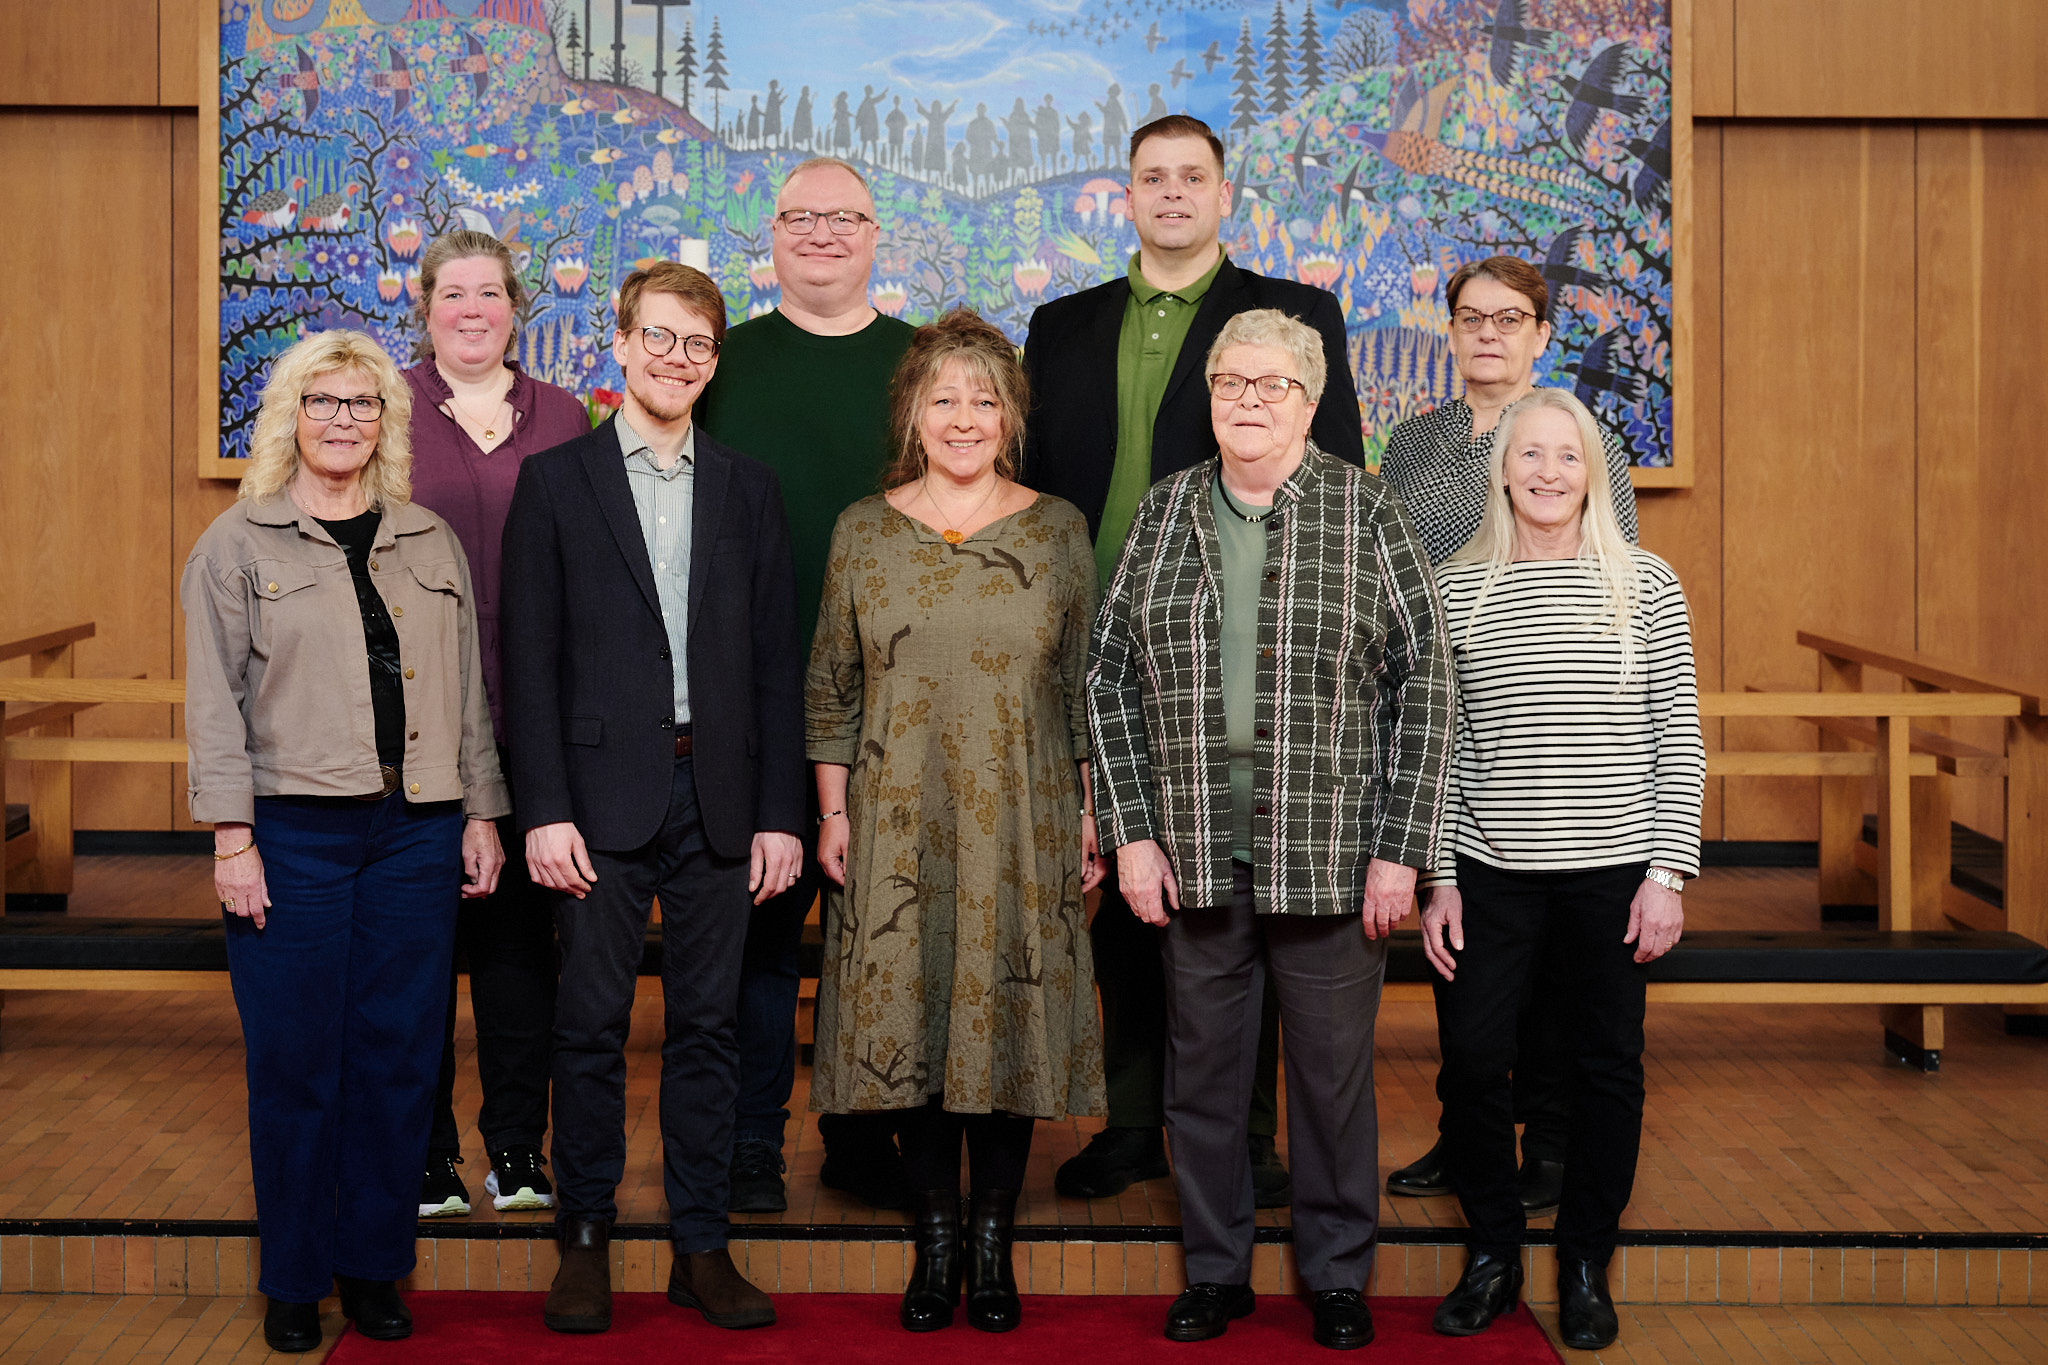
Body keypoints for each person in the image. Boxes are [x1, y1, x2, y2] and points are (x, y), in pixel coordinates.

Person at [1089, 308, 1453, 1351]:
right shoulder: (1165, 510)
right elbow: (1107, 680)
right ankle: (1216, 1271)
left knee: (1330, 1084)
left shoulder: (1365, 509)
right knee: (1202, 1081)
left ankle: (1336, 1274)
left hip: (1333, 855)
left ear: (1309, 400)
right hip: (1196, 848)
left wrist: (1401, 849)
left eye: (1271, 384)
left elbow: (1427, 685)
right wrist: (1131, 834)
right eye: (1229, 383)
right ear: (1209, 397)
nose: (1247, 401)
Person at [1023, 113, 1365, 1207]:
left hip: (1243, 643)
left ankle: (1248, 1138)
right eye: (1151, 176)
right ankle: (1132, 1119)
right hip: (1094, 644)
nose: (1171, 193)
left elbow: (1337, 479)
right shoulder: (1061, 325)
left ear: (1225, 194)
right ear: (1125, 195)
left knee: (1250, 893)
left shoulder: (1291, 316)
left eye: (1192, 176)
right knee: (1130, 883)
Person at [184, 329, 508, 1353]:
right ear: (290, 418)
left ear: (385, 423)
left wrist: (481, 811)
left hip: (416, 834)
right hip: (293, 835)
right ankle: (293, 1277)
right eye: (320, 401)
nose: (341, 420)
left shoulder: (428, 539)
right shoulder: (237, 544)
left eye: (361, 403)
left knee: (399, 1058)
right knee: (296, 1062)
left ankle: (373, 1266)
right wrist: (232, 840)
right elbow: (214, 704)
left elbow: (464, 691)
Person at [500, 262, 804, 1335]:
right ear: (621, 343)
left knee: (708, 1029)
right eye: (660, 338)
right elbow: (527, 662)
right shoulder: (555, 482)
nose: (678, 359)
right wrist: (541, 809)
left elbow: (775, 664)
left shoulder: (749, 487)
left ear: (714, 363)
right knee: (588, 1024)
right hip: (593, 800)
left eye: (698, 344)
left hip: (719, 795)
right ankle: (583, 1238)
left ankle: (700, 1246)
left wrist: (779, 812)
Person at [807, 309, 1105, 1336]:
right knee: (913, 1013)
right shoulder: (862, 529)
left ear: (1011, 415)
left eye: (984, 399)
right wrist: (832, 812)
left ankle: (990, 1240)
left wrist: (1091, 815)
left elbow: (1082, 688)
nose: (964, 417)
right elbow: (830, 688)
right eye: (944, 399)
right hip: (895, 818)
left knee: (1006, 1013)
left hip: (1024, 815)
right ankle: (935, 1238)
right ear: (913, 414)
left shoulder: (1058, 531)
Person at [1419, 388, 1701, 1351]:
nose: (1547, 472)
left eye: (1567, 455)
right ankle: (1493, 1254)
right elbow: (1440, 748)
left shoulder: (1646, 584)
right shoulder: (1458, 587)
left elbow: (1679, 738)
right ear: (1502, 470)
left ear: (1594, 473)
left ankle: (1585, 1262)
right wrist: (1439, 876)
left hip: (1614, 876)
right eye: (1529, 454)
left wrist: (1667, 874)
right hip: (1487, 872)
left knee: (1606, 1069)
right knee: (1470, 1064)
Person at [1379, 254, 1640, 1215]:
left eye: (1510, 318)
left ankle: (1555, 1140)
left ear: (1541, 334)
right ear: (1450, 330)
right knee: (1467, 962)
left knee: (1556, 981)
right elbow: (1390, 567)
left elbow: (1615, 568)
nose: (1488, 333)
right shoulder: (1414, 441)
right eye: (1471, 317)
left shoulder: (1572, 434)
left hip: (1547, 722)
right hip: (1440, 706)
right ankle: (1468, 1135)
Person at [696, 157, 917, 1215]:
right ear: (770, 234)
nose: (822, 232)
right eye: (800, 216)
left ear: (876, 234)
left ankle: (865, 1133)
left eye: (844, 216)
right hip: (751, 702)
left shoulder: (924, 365)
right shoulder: (718, 363)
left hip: (901, 702)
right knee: (760, 938)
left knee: (886, 938)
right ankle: (750, 1142)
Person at [402, 228, 590, 1222]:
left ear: (517, 308)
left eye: (488, 293)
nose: (471, 309)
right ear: (425, 307)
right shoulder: (383, 407)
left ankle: (517, 1148)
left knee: (521, 956)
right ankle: (423, 1153)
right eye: (453, 293)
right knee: (419, 955)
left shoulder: (564, 415)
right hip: (413, 732)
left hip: (532, 725)